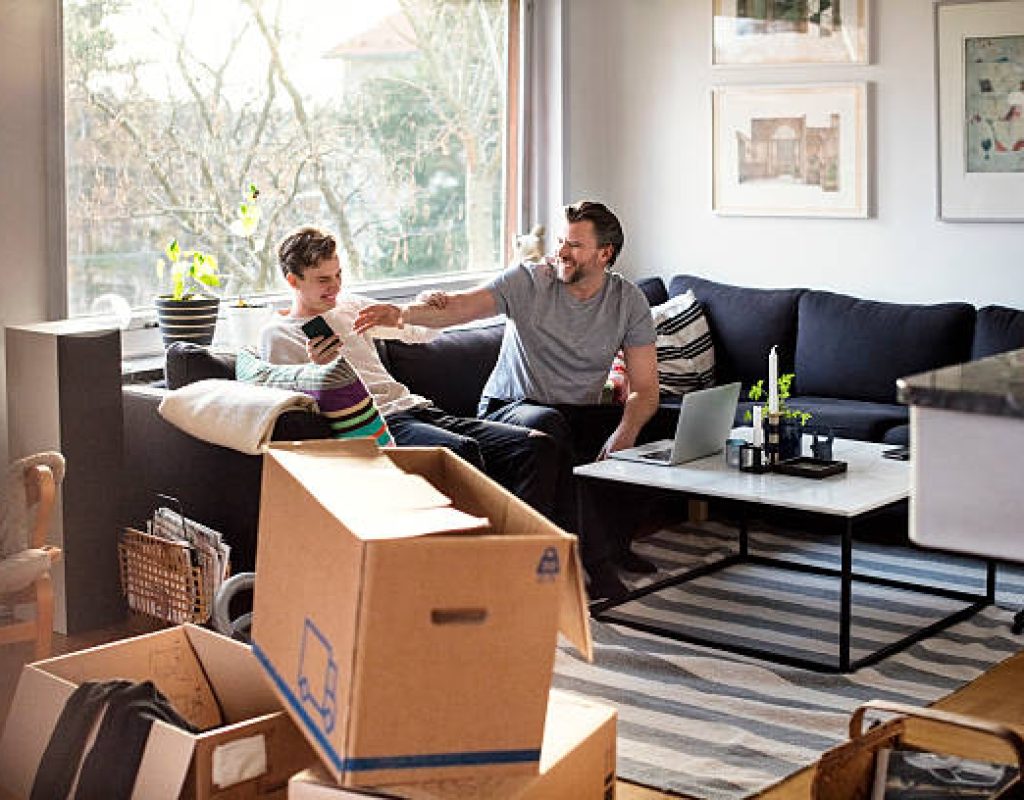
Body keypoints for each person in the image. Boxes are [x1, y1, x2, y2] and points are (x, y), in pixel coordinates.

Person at [352, 201, 660, 599]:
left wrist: (627, 430)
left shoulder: (628, 300)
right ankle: (591, 565)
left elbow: (645, 388)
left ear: (606, 254)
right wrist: (400, 313)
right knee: (550, 426)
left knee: (646, 427)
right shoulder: (529, 281)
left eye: (576, 246)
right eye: (562, 241)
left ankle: (615, 544)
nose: (562, 252)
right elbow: (460, 308)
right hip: (511, 408)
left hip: (575, 410)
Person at [258, 226, 557, 515]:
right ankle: (479, 558)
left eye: (338, 275)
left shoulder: (349, 307)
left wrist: (425, 303)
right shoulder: (278, 335)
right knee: (460, 452)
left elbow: (422, 333)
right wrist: (318, 369)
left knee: (536, 446)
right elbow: (293, 408)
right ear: (293, 281)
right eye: (323, 279)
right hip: (378, 425)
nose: (335, 286)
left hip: (416, 409)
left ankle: (536, 552)